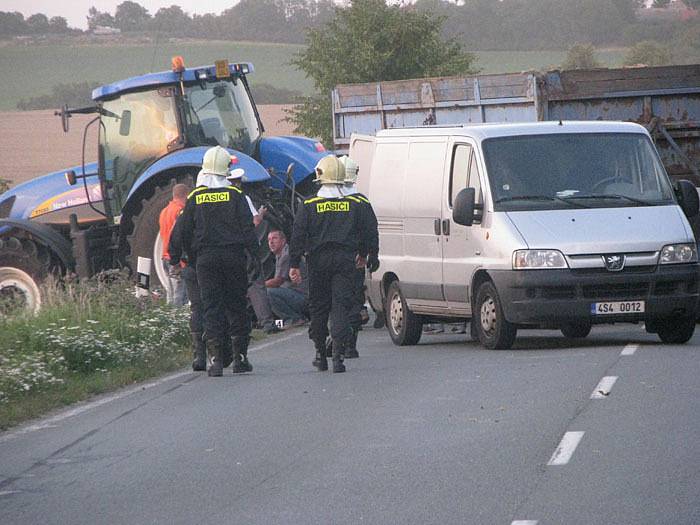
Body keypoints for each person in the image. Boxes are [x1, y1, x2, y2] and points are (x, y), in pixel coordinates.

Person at [289, 155, 379, 373]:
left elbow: (298, 235)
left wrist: (293, 264)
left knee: (318, 307)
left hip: (317, 262)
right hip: (346, 261)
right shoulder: (357, 203)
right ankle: (338, 356)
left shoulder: (309, 204)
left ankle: (320, 354)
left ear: (319, 177)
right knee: (341, 306)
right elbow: (370, 232)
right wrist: (369, 256)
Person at [179, 146, 259, 377]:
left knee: (211, 307)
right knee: (236, 306)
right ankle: (240, 358)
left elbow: (185, 231)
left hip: (205, 260)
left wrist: (190, 256)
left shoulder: (195, 197)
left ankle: (215, 361)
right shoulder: (236, 195)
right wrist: (254, 256)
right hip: (233, 258)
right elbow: (248, 229)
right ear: (226, 169)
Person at [225, 167, 280, 335]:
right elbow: (254, 222)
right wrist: (262, 215)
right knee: (256, 284)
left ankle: (230, 324)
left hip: (225, 250)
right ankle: (266, 322)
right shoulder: (242, 198)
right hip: (244, 248)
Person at [338, 156, 379, 359]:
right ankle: (350, 344)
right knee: (354, 300)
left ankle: (334, 342)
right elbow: (371, 231)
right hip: (356, 259)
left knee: (335, 302)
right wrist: (372, 255)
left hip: (332, 261)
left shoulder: (328, 201)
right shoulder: (361, 202)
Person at [168, 208, 206, 371]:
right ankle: (226, 352)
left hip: (193, 264)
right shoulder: (227, 200)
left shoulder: (188, 210)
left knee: (197, 308)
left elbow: (175, 237)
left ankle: (200, 355)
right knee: (218, 305)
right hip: (216, 264)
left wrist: (175, 260)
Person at [265, 229, 308, 328]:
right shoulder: (280, 255)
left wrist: (257, 287)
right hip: (299, 296)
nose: (271, 242)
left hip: (304, 297)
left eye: (274, 238)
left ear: (283, 240)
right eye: (269, 240)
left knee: (268, 292)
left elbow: (278, 281)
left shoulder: (286, 255)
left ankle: (293, 319)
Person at [159, 183, 189, 306]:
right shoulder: (180, 212)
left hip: (165, 257)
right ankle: (179, 322)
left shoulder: (164, 211)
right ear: (186, 195)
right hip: (177, 260)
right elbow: (179, 236)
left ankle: (170, 321)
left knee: (170, 295)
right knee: (180, 296)